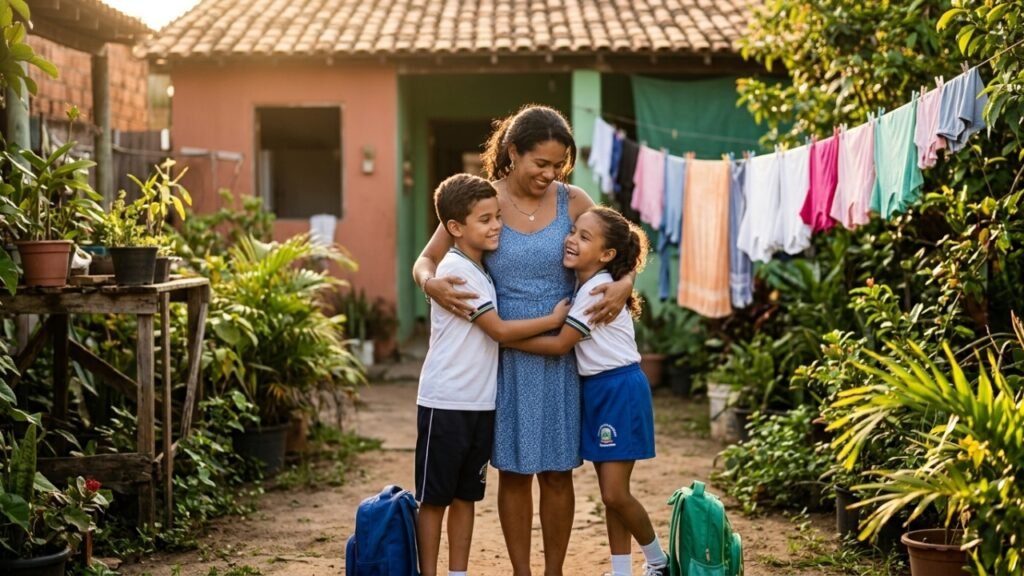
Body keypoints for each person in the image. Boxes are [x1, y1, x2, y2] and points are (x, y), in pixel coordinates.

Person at [413, 104, 635, 575]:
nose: (550, 173)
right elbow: (426, 260)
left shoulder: (572, 200)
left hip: (561, 351)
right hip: (504, 352)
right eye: (541, 163)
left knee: (557, 472)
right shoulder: (482, 201)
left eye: (558, 164)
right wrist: (429, 284)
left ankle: (553, 571)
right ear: (513, 152)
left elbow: (617, 244)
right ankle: (522, 572)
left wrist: (625, 282)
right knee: (513, 472)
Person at [415, 173, 570, 576]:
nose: (497, 225)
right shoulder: (457, 272)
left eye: (497, 217)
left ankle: (458, 573)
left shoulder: (478, 268)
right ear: (456, 228)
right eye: (485, 220)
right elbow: (498, 330)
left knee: (466, 495)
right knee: (434, 499)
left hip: (481, 402)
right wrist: (552, 319)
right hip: (446, 401)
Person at [507, 205, 668, 576]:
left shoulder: (596, 290)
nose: (571, 239)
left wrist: (504, 340)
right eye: (573, 231)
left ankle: (659, 561)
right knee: (611, 493)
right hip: (597, 389)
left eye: (584, 237)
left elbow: (561, 344)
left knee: (615, 493)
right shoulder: (589, 283)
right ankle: (622, 570)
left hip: (618, 390)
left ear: (607, 254)